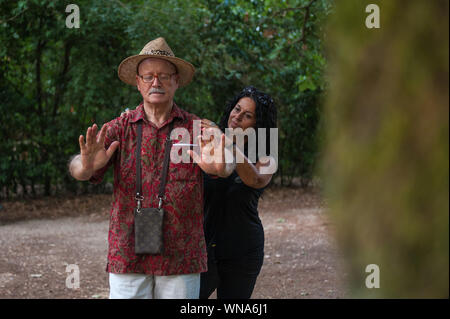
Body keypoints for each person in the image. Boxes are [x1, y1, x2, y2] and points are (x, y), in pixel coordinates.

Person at [68, 37, 216, 299]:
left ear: (176, 81)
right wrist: (85, 167)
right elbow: (78, 167)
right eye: (148, 76)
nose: (155, 82)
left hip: (181, 254)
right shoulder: (119, 128)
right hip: (128, 251)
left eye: (163, 76)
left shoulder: (196, 129)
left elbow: (222, 168)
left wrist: (222, 164)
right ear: (138, 83)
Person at [195, 86, 277, 299]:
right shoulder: (209, 143)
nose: (237, 116)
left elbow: (256, 179)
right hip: (204, 247)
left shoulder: (267, 156)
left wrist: (227, 142)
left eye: (247, 115)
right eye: (237, 109)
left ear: (257, 126)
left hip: (243, 250)